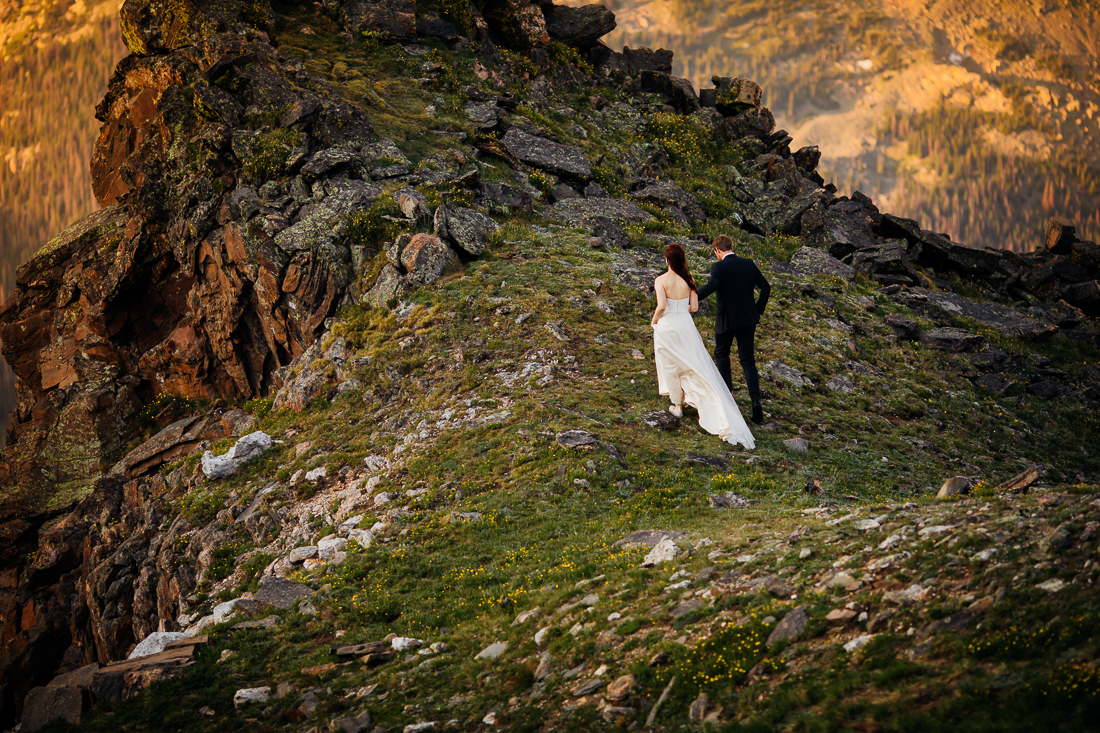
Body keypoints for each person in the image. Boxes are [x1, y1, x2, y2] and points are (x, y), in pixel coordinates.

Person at [651, 243, 755, 449]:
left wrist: (654, 320)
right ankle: (703, 399)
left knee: (670, 364)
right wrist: (680, 308)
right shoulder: (689, 280)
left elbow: (662, 305)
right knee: (694, 363)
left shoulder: (661, 280)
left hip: (668, 324)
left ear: (667, 260)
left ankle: (678, 404)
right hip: (686, 325)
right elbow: (695, 307)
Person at [696, 234, 771, 425]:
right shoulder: (749, 263)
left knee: (722, 353)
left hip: (726, 319)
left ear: (718, 250)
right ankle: (756, 400)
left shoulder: (719, 266)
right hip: (748, 319)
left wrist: (692, 297)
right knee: (748, 361)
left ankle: (728, 396)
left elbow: (712, 286)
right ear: (731, 246)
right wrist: (757, 310)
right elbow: (766, 287)